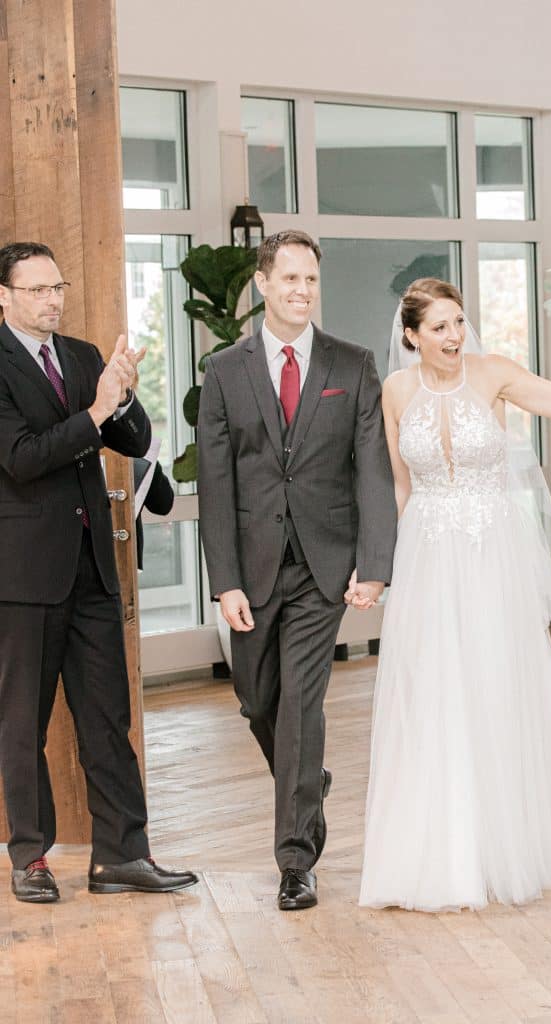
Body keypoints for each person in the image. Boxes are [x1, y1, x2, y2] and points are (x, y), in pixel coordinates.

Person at [358, 277, 551, 912]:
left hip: (490, 557)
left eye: (458, 322)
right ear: (411, 336)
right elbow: (399, 488)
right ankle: (440, 851)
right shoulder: (395, 391)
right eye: (439, 327)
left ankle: (507, 840)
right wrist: (383, 571)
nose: (454, 336)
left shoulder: (494, 374)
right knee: (433, 692)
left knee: (493, 684)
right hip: (427, 555)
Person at [198, 230, 396, 911]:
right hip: (250, 569)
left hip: (323, 567)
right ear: (262, 283)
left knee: (302, 706)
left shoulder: (353, 364)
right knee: (258, 701)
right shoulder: (225, 370)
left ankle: (294, 861)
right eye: (289, 279)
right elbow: (217, 484)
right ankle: (308, 783)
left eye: (311, 280)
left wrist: (374, 567)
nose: (301, 291)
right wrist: (224, 580)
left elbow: (371, 472)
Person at [0, 241, 198, 903]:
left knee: (108, 718)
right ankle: (30, 858)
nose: (52, 300)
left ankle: (122, 855)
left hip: (93, 572)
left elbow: (134, 442)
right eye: (37, 290)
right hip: (24, 578)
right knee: (23, 722)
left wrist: (124, 397)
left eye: (57, 287)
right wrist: (94, 409)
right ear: (4, 297)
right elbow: (23, 459)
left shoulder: (83, 356)